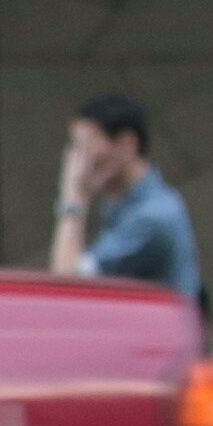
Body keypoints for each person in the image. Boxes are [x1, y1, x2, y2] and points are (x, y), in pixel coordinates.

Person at [52, 92, 200, 300]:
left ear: (126, 144)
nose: (77, 162)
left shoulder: (152, 217)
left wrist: (73, 198)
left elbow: (67, 284)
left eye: (84, 147)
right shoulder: (127, 206)